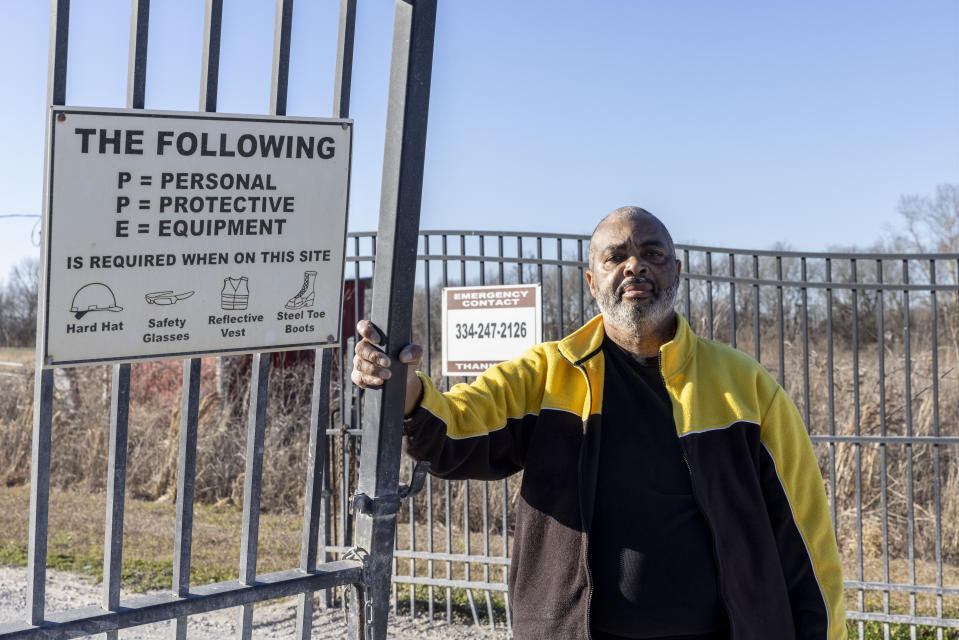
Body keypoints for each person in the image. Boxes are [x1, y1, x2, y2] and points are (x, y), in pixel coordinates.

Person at [352, 207, 846, 640]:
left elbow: (805, 533)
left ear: (676, 271)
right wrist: (405, 390)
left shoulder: (744, 385)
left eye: (652, 253)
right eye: (615, 256)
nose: (636, 265)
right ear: (592, 282)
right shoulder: (547, 374)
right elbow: (457, 428)